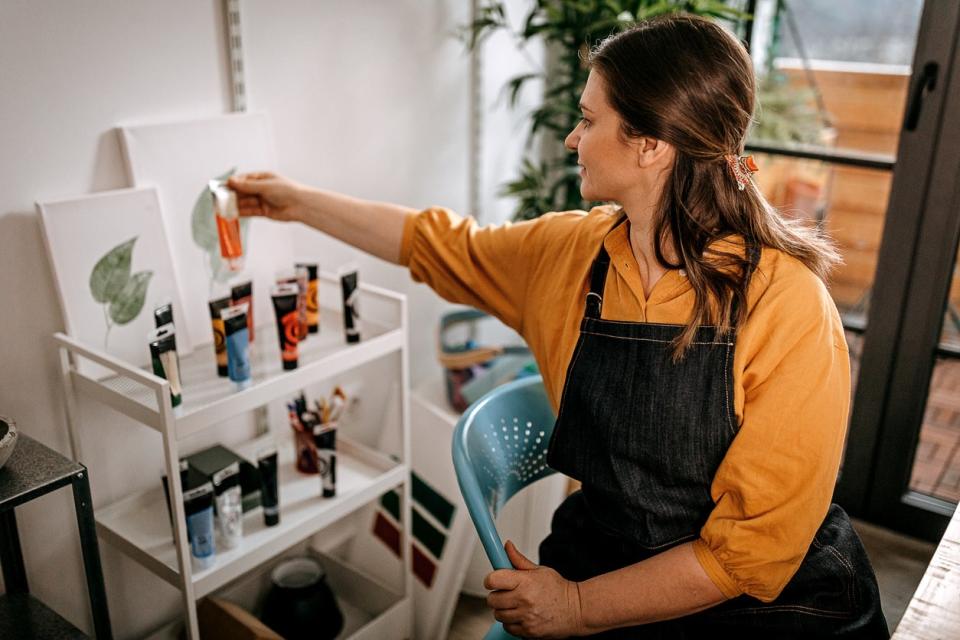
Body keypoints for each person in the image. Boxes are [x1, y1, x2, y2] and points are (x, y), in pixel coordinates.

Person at [230, 13, 887, 639]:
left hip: (765, 605)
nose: (573, 138)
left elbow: (750, 556)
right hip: (609, 555)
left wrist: (576, 605)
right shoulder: (566, 255)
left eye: (588, 119)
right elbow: (430, 242)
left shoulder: (789, 307)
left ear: (650, 145)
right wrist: (296, 203)